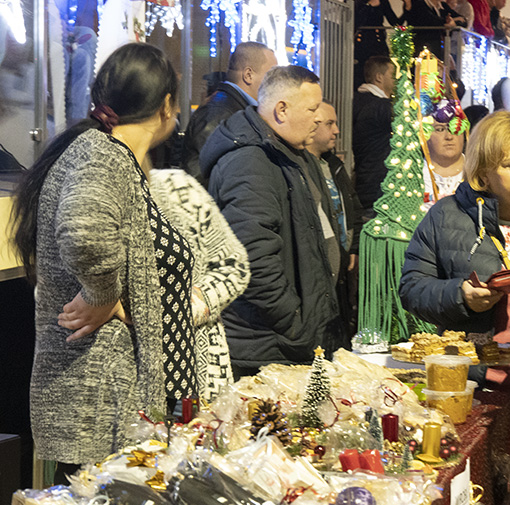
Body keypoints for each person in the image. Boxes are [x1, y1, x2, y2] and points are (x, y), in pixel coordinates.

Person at [11, 43, 194, 476]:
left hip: (122, 406)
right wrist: (102, 293)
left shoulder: (112, 157)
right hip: (106, 406)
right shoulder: (101, 156)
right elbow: (84, 234)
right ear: (167, 105)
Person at [399, 111, 510, 465]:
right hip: (480, 389)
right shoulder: (448, 216)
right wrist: (460, 296)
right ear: (483, 174)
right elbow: (412, 287)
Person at [200, 65, 347, 376]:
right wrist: (294, 321)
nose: (318, 119)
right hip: (267, 346)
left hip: (291, 342)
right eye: (311, 109)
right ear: (281, 110)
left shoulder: (291, 152)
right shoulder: (250, 161)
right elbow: (252, 258)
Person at [147, 166, 250, 401]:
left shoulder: (176, 187)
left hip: (199, 367)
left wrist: (184, 309)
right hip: (120, 376)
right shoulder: (88, 201)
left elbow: (234, 264)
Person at [181, 42, 277, 185]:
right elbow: (201, 179)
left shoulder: (236, 108)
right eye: (271, 76)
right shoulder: (218, 112)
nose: (275, 83)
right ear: (248, 75)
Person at [305, 101, 362, 336]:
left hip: (343, 268)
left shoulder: (335, 165)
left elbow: (354, 209)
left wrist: (354, 247)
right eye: (330, 124)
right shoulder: (303, 169)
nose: (336, 130)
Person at [353, 56, 396, 219]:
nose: (396, 80)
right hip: (377, 190)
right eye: (392, 74)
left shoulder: (357, 101)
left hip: (365, 186)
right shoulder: (380, 107)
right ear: (379, 77)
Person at [354, 0, 401, 88]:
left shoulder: (383, 1)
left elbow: (395, 23)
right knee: (362, 72)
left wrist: (407, 9)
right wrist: (368, 5)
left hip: (379, 43)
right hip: (363, 44)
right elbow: (356, 21)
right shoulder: (358, 2)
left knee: (382, 67)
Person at [401, 0, 466, 60]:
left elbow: (464, 21)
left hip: (438, 49)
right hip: (421, 50)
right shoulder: (418, 3)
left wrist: (454, 23)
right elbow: (430, 20)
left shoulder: (442, 6)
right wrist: (452, 21)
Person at [422, 120, 465, 207]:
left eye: (455, 128)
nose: (449, 136)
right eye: (440, 129)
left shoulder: (478, 172)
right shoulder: (414, 174)